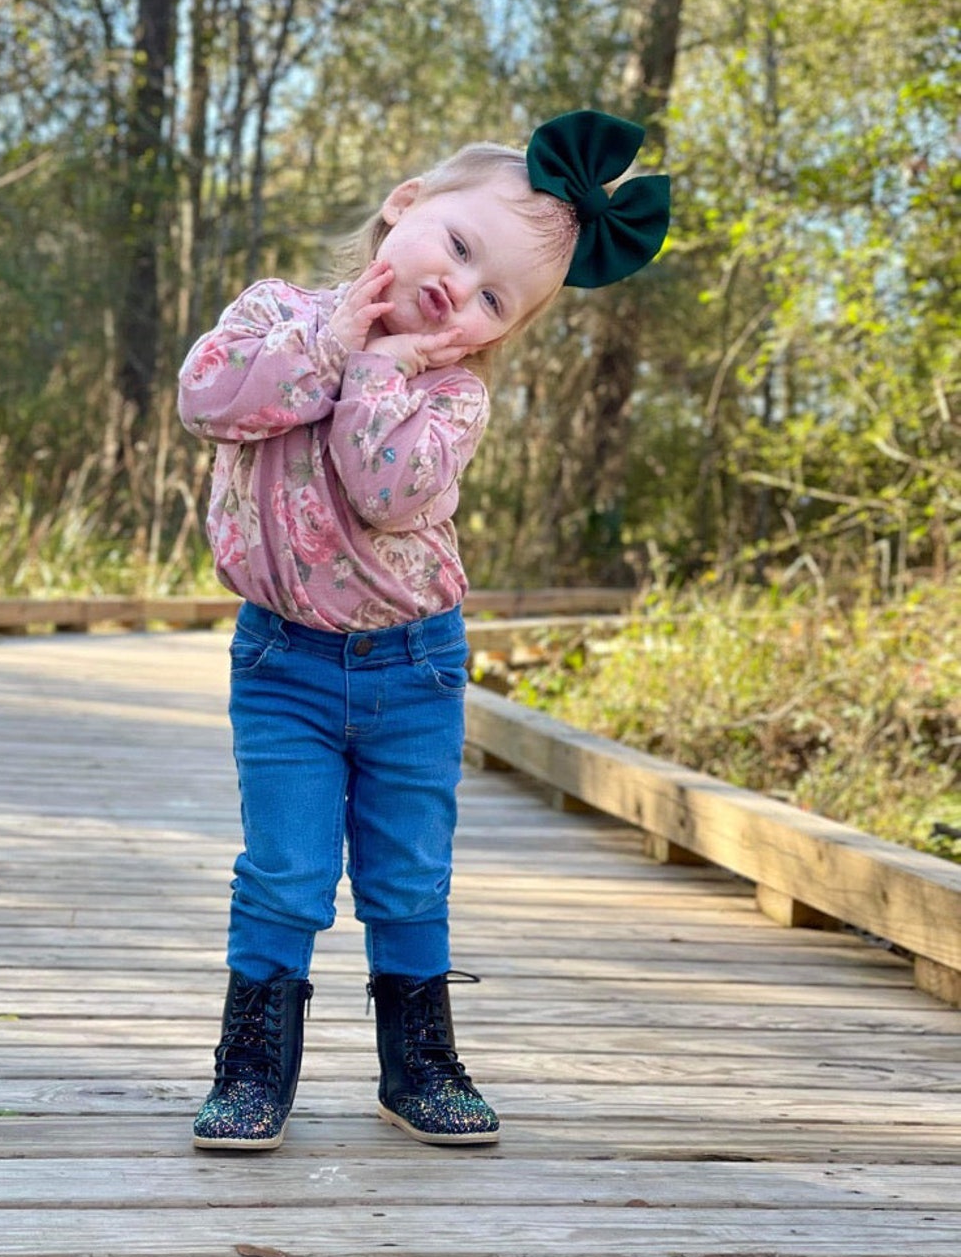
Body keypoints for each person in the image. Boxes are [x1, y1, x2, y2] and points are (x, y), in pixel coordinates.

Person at [177, 110, 670, 1151]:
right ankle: (253, 1062)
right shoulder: (276, 314)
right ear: (406, 205)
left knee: (407, 872)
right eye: (456, 244)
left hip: (414, 666)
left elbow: (385, 489)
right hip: (283, 661)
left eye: (494, 296)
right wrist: (334, 340)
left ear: (500, 332)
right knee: (284, 868)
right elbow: (212, 398)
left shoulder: (447, 397)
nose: (461, 285)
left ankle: (419, 1062)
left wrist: (381, 371)